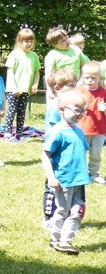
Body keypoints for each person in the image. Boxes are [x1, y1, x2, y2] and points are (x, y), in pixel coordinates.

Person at [42, 87, 91, 255]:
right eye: (77, 110)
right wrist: (51, 177)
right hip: (63, 181)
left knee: (78, 211)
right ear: (62, 109)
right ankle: (55, 239)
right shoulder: (57, 132)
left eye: (83, 110)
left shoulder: (79, 132)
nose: (80, 114)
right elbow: (45, 155)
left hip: (79, 180)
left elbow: (81, 153)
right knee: (62, 210)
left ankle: (66, 240)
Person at [4, 28, 41, 142]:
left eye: (31, 41)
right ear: (19, 42)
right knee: (12, 110)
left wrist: (35, 84)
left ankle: (19, 134)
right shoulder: (14, 54)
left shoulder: (34, 56)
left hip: (25, 90)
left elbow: (37, 72)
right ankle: (7, 133)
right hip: (13, 90)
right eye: (26, 41)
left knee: (21, 112)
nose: (29, 43)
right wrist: (14, 87)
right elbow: (10, 72)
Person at [77, 62, 106, 185]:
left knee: (96, 154)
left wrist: (104, 109)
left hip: (99, 130)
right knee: (80, 152)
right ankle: (80, 174)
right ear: (82, 77)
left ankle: (94, 174)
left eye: (93, 78)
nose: (90, 80)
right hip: (82, 128)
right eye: (87, 77)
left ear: (100, 78)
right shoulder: (79, 91)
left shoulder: (103, 92)